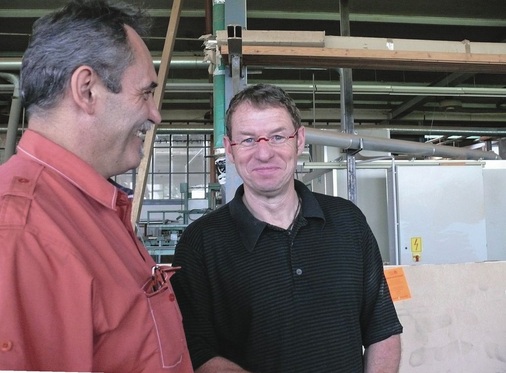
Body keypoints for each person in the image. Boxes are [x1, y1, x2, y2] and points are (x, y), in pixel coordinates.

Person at [0, 1, 193, 372]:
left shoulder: (88, 208)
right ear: (87, 90)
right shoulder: (21, 233)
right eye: (145, 92)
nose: (155, 113)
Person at [171, 83, 403, 373]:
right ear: (229, 149)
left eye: (278, 136)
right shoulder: (200, 244)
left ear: (299, 140)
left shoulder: (348, 223)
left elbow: (382, 329)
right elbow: (195, 350)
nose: (264, 153)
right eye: (248, 140)